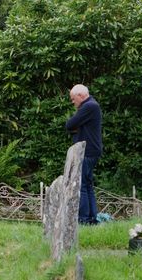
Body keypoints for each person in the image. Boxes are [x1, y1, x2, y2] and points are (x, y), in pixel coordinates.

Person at [65, 84, 103, 225]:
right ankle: (92, 218)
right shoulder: (91, 106)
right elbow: (73, 127)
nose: (72, 102)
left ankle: (84, 219)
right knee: (87, 184)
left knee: (81, 185)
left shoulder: (89, 106)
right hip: (91, 150)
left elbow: (70, 124)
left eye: (73, 99)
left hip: (87, 152)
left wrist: (76, 127)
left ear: (80, 96)